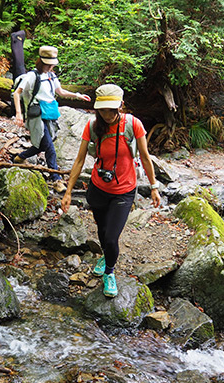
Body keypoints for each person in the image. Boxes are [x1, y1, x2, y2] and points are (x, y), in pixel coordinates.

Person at [61, 84, 161, 297]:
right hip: (98, 188)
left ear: (120, 106)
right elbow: (79, 160)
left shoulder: (133, 124)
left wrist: (154, 187)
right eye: (102, 110)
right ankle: (106, 256)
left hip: (124, 191)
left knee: (111, 238)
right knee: (103, 231)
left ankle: (109, 272)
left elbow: (144, 157)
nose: (106, 115)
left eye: (110, 110)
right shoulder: (92, 126)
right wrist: (68, 191)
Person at [12, 45, 91, 193]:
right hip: (36, 115)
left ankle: (20, 157)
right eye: (49, 63)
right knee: (49, 147)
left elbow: (60, 92)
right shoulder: (32, 76)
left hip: (49, 114)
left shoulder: (51, 76)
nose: (52, 65)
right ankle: (56, 180)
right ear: (42, 61)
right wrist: (18, 113)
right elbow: (17, 93)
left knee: (43, 145)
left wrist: (78, 95)